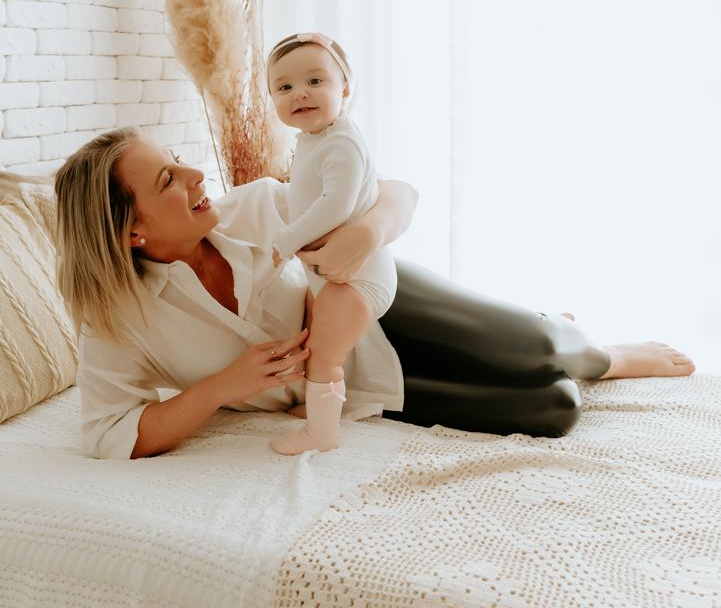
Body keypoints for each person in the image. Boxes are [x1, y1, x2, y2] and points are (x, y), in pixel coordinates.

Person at [54, 128, 694, 461]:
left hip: (382, 303)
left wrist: (366, 231)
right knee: (553, 410)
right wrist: (223, 388)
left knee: (539, 348)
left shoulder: (258, 208)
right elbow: (109, 432)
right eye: (169, 179)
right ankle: (547, 335)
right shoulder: (115, 320)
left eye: (178, 160)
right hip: (350, 385)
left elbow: (396, 193)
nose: (196, 174)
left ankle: (596, 349)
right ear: (132, 231)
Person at [266, 32, 397, 455]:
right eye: (284, 87)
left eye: (315, 81)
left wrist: (287, 239)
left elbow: (335, 204)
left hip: (358, 278)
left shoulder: (342, 141)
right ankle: (318, 404)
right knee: (316, 339)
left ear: (345, 89)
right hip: (336, 276)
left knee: (324, 353)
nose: (300, 93)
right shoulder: (314, 138)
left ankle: (321, 434)